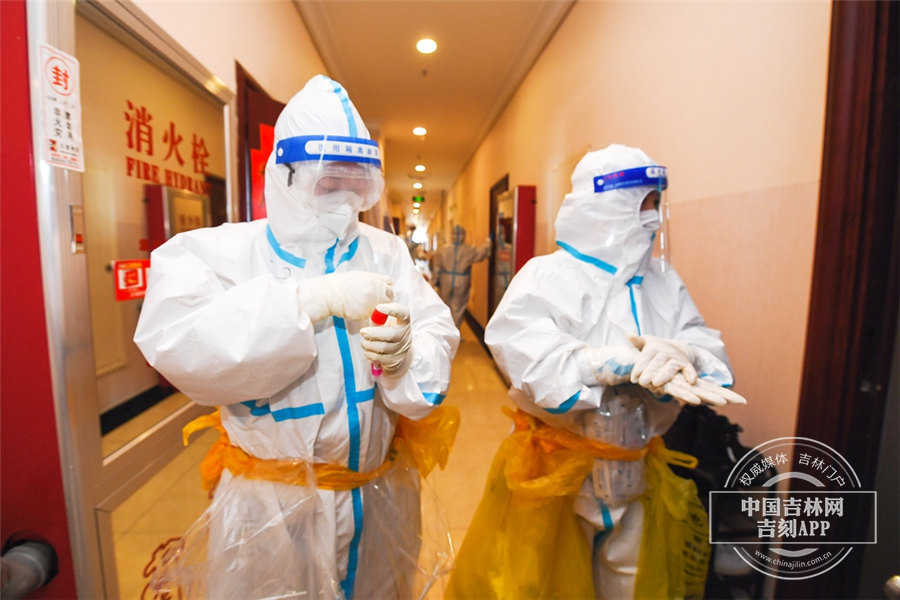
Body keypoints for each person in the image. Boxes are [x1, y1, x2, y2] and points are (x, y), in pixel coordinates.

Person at [133, 74, 459, 599]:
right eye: (330, 182)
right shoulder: (214, 254)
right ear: (286, 176)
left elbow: (435, 332)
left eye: (358, 183)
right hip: (270, 511)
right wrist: (306, 303)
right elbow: (181, 347)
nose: (346, 199)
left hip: (377, 494)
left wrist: (406, 358)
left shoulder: (386, 252)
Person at [451, 143, 746, 599]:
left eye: (657, 203)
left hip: (636, 472)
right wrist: (609, 364)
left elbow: (706, 346)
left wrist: (686, 355)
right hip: (554, 474)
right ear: (606, 205)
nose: (653, 216)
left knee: (631, 583)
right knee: (545, 585)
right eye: (643, 203)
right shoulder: (547, 276)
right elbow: (524, 353)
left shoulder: (662, 281)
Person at [432, 224, 491, 326]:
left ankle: (444, 328)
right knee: (458, 307)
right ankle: (454, 329)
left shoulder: (443, 249)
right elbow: (482, 253)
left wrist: (434, 282)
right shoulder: (469, 249)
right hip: (462, 281)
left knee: (445, 305)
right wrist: (488, 242)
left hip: (446, 280)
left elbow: (437, 267)